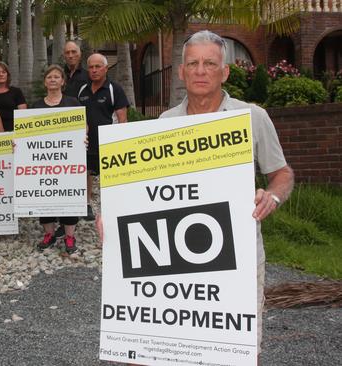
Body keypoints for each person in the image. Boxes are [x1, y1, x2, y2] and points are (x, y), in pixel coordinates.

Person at [159, 30, 294, 360]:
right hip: (178, 260)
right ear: (181, 71)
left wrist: (272, 197)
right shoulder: (164, 123)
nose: (201, 71)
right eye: (193, 63)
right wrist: (114, 217)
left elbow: (282, 175)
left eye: (209, 63)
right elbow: (146, 192)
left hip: (239, 256)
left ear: (225, 71)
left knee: (237, 350)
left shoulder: (252, 117)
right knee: (180, 348)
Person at [31, 65, 82, 254]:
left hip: (68, 159)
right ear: (45, 81)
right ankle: (49, 234)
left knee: (68, 194)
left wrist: (83, 137)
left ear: (63, 81)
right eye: (49, 77)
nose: (53, 79)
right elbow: (28, 134)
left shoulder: (72, 103)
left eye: (56, 77)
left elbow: (83, 126)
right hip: (43, 161)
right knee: (45, 195)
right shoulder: (36, 106)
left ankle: (69, 236)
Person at [78, 53, 129, 221]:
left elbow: (122, 119)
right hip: (86, 143)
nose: (94, 70)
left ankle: (111, 209)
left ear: (106, 68)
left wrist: (120, 144)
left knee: (109, 179)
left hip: (108, 144)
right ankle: (87, 206)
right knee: (87, 174)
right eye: (91, 67)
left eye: (97, 66)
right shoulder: (82, 90)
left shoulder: (115, 89)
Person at [0, 62, 27, 132]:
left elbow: (23, 114)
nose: (1, 74)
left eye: (3, 72)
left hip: (13, 131)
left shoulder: (16, 91)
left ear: (7, 75)